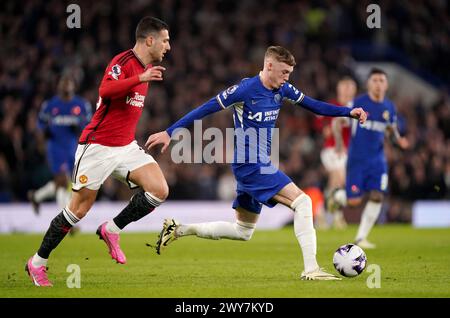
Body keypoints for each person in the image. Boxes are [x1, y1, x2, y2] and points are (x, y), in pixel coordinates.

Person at [146, 46, 367, 281]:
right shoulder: (245, 90)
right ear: (269, 66)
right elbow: (204, 109)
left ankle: (179, 229)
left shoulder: (283, 89)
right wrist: (170, 132)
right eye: (284, 72)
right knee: (303, 203)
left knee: (243, 231)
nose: (287, 78)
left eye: (289, 73)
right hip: (251, 165)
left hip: (255, 165)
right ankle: (311, 269)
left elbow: (314, 105)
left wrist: (348, 112)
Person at [25, 16, 171, 287]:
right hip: (97, 146)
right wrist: (139, 77)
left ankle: (111, 230)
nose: (168, 46)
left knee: (159, 189)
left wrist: (143, 75)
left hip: (125, 146)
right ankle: (37, 263)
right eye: (165, 40)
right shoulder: (124, 63)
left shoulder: (148, 69)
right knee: (78, 211)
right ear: (149, 40)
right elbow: (105, 89)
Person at [329, 68, 409, 249]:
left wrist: (398, 140)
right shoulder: (357, 103)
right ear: (368, 84)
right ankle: (337, 196)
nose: (378, 84)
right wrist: (340, 143)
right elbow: (336, 121)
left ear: (386, 85)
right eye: (375, 80)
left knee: (377, 196)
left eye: (382, 80)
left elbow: (390, 129)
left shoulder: (389, 107)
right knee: (353, 202)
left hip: (378, 161)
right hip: (357, 161)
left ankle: (360, 238)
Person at [28, 76, 92, 215]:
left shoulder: (82, 105)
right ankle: (66, 218)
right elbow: (39, 126)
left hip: (73, 148)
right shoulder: (50, 105)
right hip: (55, 147)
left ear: (74, 86)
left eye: (68, 83)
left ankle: (36, 196)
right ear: (58, 87)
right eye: (63, 83)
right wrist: (41, 143)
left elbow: (90, 127)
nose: (66, 86)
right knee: (63, 180)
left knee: (65, 183)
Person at [314, 76, 357, 229]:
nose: (346, 93)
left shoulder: (357, 108)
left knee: (334, 184)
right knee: (340, 178)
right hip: (332, 150)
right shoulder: (332, 105)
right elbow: (319, 122)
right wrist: (325, 128)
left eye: (349, 90)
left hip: (347, 153)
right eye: (344, 89)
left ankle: (321, 213)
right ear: (339, 91)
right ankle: (337, 216)